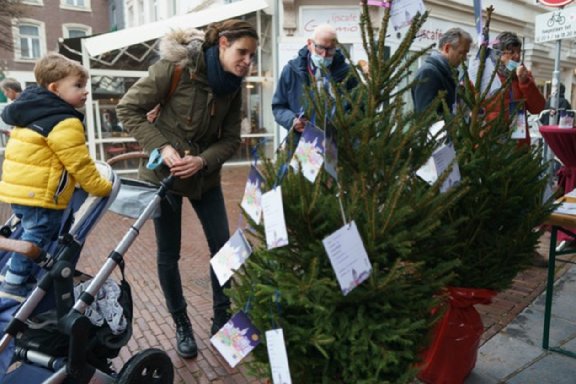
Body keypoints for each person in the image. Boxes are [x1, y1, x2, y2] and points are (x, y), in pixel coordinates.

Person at [116, 20, 258, 359]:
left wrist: (203, 161)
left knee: (223, 249)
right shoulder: (175, 68)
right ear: (223, 44)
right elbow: (128, 109)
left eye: (252, 56)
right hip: (164, 180)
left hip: (204, 179)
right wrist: (162, 148)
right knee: (169, 254)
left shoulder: (233, 85)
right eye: (242, 52)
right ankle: (181, 323)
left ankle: (222, 314)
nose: (247, 62)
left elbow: (231, 139)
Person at [0, 52, 113, 302]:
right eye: (78, 86)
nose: (85, 92)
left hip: (19, 191)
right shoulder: (64, 121)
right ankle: (14, 284)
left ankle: (21, 274)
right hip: (41, 194)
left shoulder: (30, 112)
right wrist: (100, 187)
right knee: (37, 235)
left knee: (32, 233)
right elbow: (79, 163)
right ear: (55, 88)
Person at [272, 24, 356, 133]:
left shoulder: (347, 73)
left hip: (338, 142)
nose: (324, 55)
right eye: (320, 48)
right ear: (309, 44)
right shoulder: (291, 71)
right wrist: (291, 121)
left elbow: (359, 106)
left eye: (330, 50)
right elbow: (278, 107)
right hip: (302, 141)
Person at [487, 31, 545, 147]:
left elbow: (538, 108)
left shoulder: (524, 75)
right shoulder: (487, 74)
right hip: (492, 140)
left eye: (519, 52)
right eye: (511, 52)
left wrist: (525, 83)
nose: (517, 56)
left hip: (519, 141)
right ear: (499, 53)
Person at [411, 28, 472, 115]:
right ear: (447, 48)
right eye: (462, 52)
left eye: (466, 53)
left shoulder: (447, 73)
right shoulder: (429, 73)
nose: (465, 58)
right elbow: (426, 118)